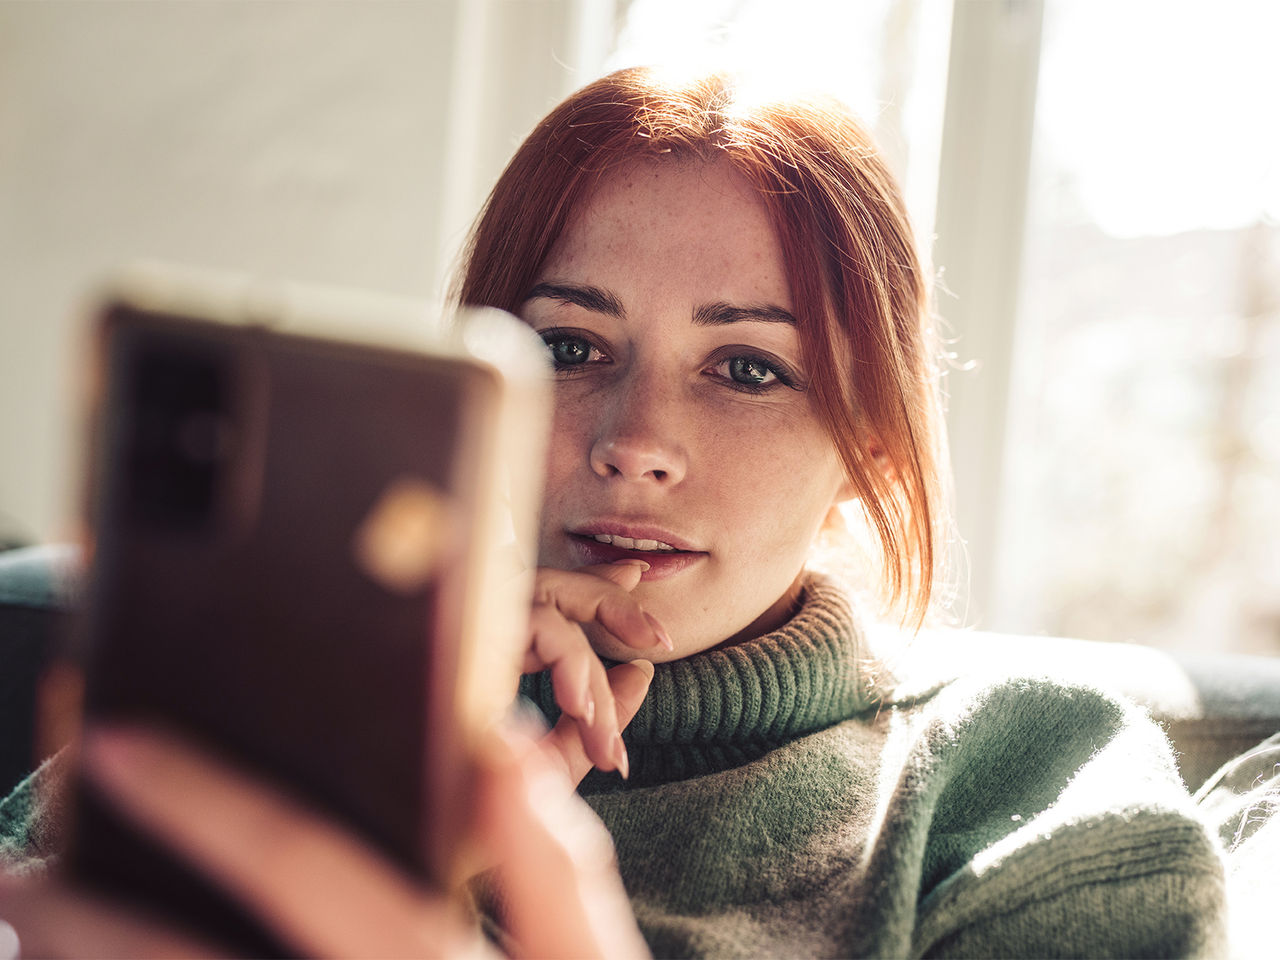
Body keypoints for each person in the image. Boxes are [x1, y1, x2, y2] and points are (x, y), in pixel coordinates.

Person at [1, 65, 1275, 957]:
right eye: (567, 349)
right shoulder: (277, 700)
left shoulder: (1035, 789)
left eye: (747, 369)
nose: (636, 445)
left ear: (867, 446)